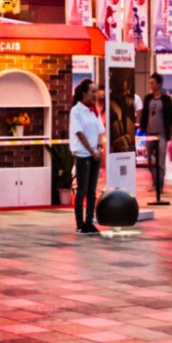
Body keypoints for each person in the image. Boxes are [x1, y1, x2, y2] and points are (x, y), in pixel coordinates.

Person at [66, 77, 107, 235]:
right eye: (92, 92)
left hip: (94, 154)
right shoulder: (76, 111)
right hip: (83, 154)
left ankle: (89, 221)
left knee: (92, 191)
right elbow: (79, 133)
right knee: (82, 190)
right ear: (84, 93)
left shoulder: (93, 110)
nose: (95, 95)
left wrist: (98, 149)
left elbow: (99, 130)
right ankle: (80, 223)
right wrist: (91, 151)